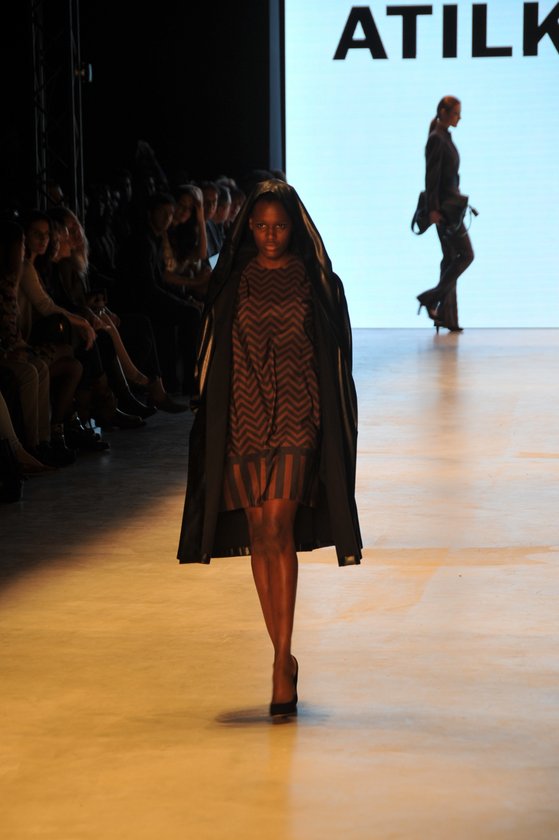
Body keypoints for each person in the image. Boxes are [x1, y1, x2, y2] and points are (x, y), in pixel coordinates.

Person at [178, 179, 362, 718]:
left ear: (294, 228)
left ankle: (282, 661)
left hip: (300, 411)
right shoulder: (232, 282)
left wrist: (332, 423)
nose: (270, 236)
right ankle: (281, 651)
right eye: (260, 226)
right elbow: (212, 353)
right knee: (261, 532)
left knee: (279, 522)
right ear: (248, 229)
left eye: (279, 226)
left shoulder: (315, 280)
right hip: (246, 413)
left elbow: (338, 355)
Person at [416, 96, 474, 333]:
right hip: (444, 210)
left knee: (450, 258)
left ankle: (446, 317)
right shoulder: (437, 139)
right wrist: (433, 210)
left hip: (449, 207)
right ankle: (431, 299)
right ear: (443, 111)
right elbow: (431, 177)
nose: (459, 117)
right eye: (456, 113)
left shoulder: (444, 137)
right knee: (466, 254)